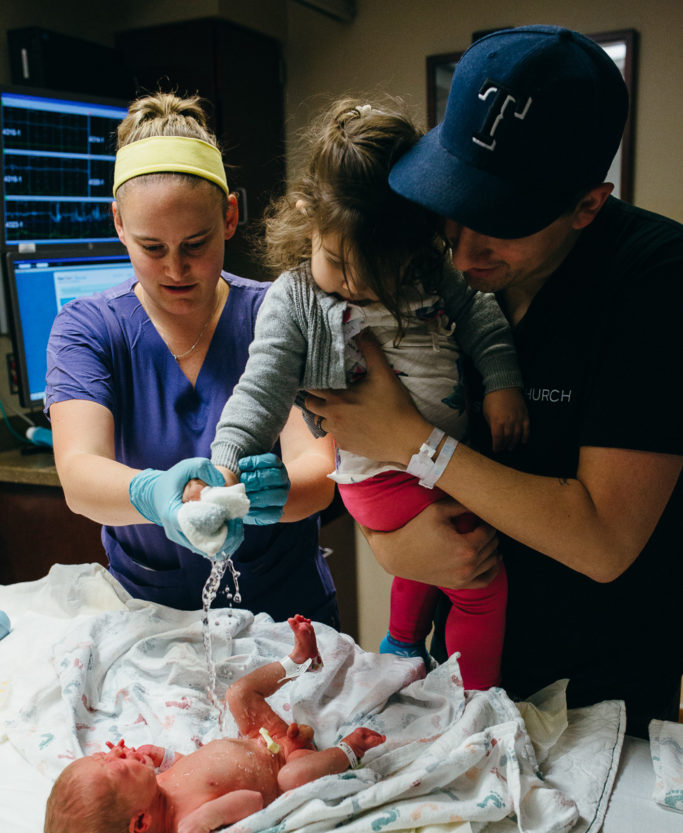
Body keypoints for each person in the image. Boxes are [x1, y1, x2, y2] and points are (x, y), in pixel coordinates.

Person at [304, 26, 683, 739]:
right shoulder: (432, 254)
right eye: (457, 204)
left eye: (501, 225)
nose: (464, 248)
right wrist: (390, 544)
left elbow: (602, 540)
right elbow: (345, 426)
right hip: (456, 653)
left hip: (595, 696)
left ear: (586, 206)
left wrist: (417, 445)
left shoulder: (656, 284)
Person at [201, 98, 528, 687]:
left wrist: (503, 382)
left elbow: (481, 316)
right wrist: (225, 461)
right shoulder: (296, 300)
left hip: (436, 456)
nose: (356, 285)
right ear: (308, 220)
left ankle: (402, 644)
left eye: (379, 273)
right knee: (479, 583)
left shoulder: (429, 268)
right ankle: (477, 702)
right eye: (338, 263)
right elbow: (260, 388)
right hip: (377, 472)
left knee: (428, 554)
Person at [44, 91, 338, 625]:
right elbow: (79, 476)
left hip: (289, 617)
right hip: (150, 620)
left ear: (229, 216)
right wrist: (151, 493)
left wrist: (277, 492)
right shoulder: (88, 329)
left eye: (196, 243)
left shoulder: (281, 312)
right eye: (152, 248)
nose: (176, 268)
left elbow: (318, 466)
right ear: (118, 224)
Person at [44, 614, 386, 833]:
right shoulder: (187, 822)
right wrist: (209, 818)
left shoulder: (160, 784)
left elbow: (195, 767)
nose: (118, 750)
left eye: (103, 754)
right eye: (115, 765)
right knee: (294, 779)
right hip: (284, 761)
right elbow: (251, 801)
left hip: (258, 735)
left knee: (237, 694)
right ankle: (348, 751)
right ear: (141, 822)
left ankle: (298, 661)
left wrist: (165, 758)